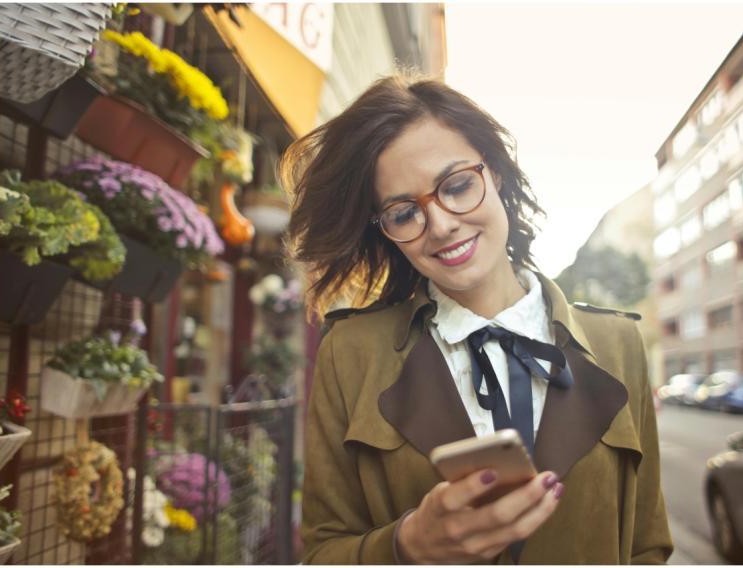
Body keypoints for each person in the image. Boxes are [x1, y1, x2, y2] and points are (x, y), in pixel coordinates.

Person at [283, 74, 673, 564]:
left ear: (497, 175)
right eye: (404, 213)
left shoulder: (619, 343)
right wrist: (408, 545)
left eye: (458, 185)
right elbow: (322, 552)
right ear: (387, 232)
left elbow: (648, 546)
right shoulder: (351, 352)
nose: (442, 224)